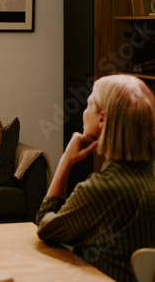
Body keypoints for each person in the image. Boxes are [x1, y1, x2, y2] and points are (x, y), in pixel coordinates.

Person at [36, 74, 155, 282]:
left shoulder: (103, 188)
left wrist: (66, 160)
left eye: (88, 105)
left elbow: (47, 227)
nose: (83, 113)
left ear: (102, 118)